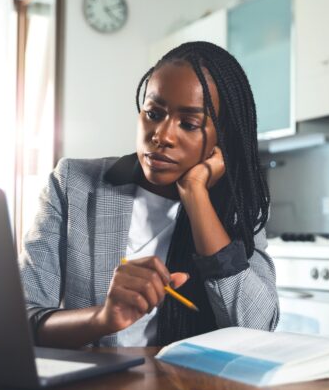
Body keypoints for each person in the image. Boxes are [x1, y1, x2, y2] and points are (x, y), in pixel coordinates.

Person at [19, 41, 278, 348]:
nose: (162, 136)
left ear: (222, 138)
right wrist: (102, 318)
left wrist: (196, 197)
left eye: (189, 124)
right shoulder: (73, 184)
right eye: (154, 113)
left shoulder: (238, 208)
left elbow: (257, 328)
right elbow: (22, 318)